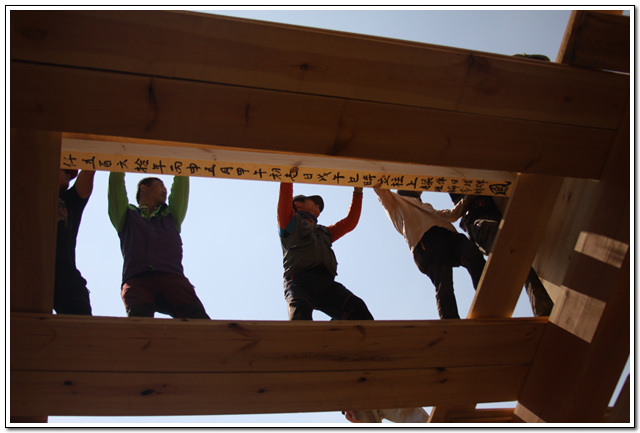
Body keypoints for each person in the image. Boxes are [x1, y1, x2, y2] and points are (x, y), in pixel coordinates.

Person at [373, 185, 486, 319]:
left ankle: (487, 293)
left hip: (447, 236)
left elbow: (451, 214)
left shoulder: (427, 207)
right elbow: (380, 189)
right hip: (427, 244)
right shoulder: (395, 202)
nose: (421, 188)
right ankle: (450, 321)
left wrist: (468, 198)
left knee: (472, 253)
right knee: (444, 284)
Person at [108, 173, 210, 319]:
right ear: (143, 188)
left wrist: (179, 162)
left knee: (198, 320)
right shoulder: (126, 214)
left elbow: (181, 181)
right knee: (138, 324)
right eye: (161, 185)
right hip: (137, 279)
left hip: (172, 277)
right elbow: (116, 186)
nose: (165, 190)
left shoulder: (171, 214)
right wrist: (119, 164)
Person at [277, 179, 372, 321]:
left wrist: (358, 191)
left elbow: (349, 223)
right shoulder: (288, 221)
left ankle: (340, 332)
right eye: (313, 201)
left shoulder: (324, 232)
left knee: (356, 308)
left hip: (325, 282)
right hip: (299, 280)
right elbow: (285, 195)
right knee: (300, 315)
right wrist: (287, 175)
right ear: (298, 204)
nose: (318, 205)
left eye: (319, 206)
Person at [449, 193, 554, 316]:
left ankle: (542, 307)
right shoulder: (464, 195)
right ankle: (542, 307)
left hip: (489, 221)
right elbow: (458, 205)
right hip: (481, 223)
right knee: (515, 258)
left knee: (518, 261)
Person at [55, 169, 96, 315]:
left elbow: (89, 167)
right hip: (25, 268)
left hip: (63, 271)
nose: (68, 175)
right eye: (64, 171)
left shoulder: (69, 200)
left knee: (80, 317)